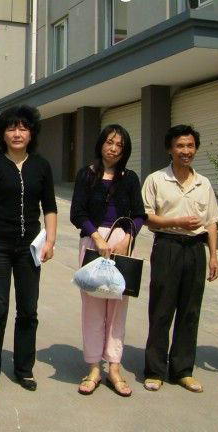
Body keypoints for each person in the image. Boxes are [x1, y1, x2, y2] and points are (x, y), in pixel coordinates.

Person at [0, 105, 57, 394]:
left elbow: (50, 207)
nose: (17, 133)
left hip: (30, 248)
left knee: (28, 310)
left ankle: (24, 369)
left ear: (31, 133)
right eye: (11, 128)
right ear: (3, 134)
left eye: (23, 128)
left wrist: (50, 241)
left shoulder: (41, 165)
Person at [141, 124, 218, 393]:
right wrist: (176, 221)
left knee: (190, 311)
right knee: (161, 309)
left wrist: (213, 256)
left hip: (196, 249)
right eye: (180, 146)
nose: (185, 151)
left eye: (190, 146)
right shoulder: (156, 180)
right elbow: (147, 217)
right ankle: (155, 370)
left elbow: (211, 222)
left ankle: (183, 370)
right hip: (167, 246)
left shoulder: (203, 183)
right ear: (169, 149)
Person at [69, 124, 146, 397]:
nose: (113, 149)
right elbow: (77, 212)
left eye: (119, 145)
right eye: (109, 142)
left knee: (117, 309)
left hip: (121, 244)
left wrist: (128, 237)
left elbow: (139, 214)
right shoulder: (86, 175)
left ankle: (114, 366)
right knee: (92, 308)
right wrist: (96, 237)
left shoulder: (130, 178)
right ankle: (93, 368)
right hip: (93, 244)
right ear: (101, 143)